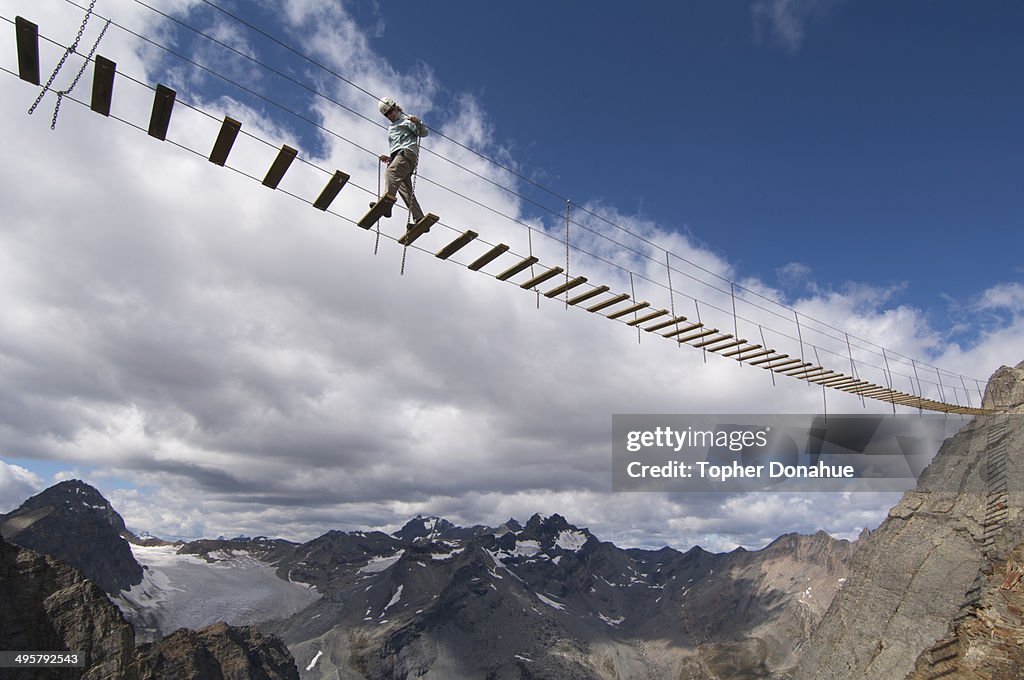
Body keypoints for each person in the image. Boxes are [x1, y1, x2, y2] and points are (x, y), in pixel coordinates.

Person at [373, 96, 428, 223]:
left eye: (390, 111)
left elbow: (424, 132)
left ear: (395, 107)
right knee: (404, 189)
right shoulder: (392, 127)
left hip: (407, 154)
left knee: (390, 173)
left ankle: (386, 204)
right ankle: (419, 217)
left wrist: (416, 122)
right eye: (387, 115)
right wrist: (390, 157)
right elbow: (398, 145)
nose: (390, 115)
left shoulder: (406, 119)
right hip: (400, 156)